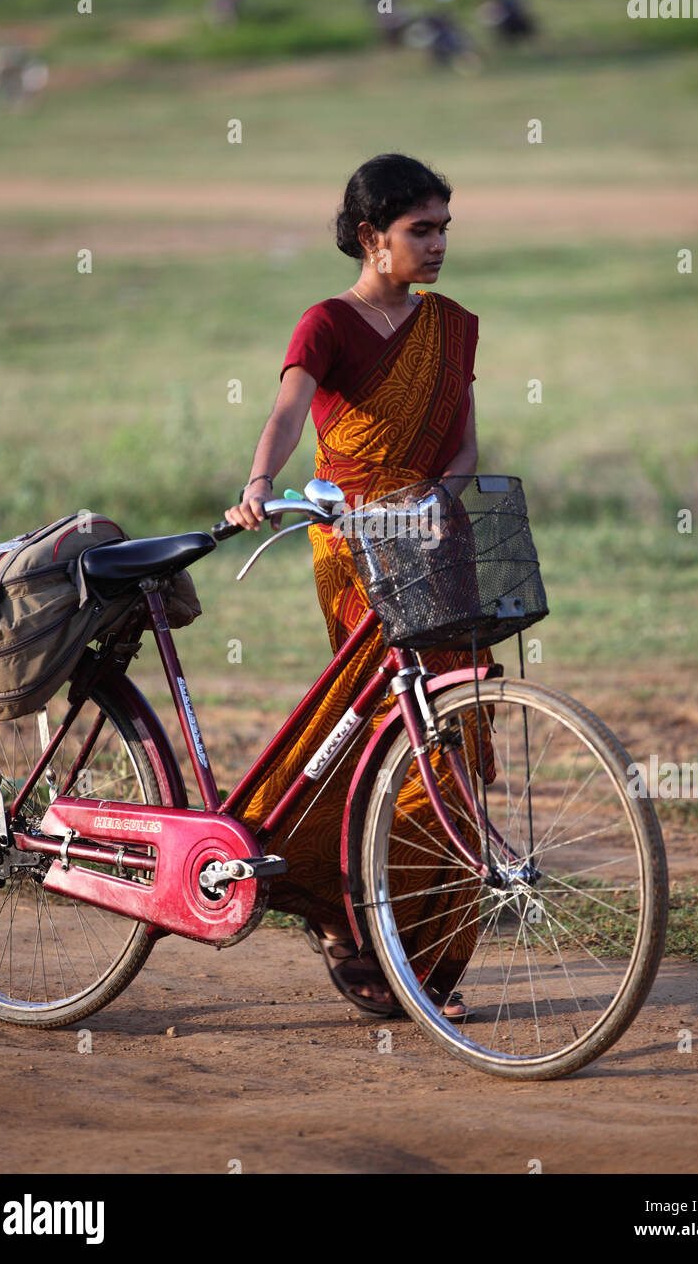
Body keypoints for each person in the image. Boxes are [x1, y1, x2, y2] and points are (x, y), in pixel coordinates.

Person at [223, 153, 493, 1019]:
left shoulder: (452, 327)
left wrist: (437, 504)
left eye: (445, 228)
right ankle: (340, 911)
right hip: (355, 550)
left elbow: (465, 446)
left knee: (448, 746)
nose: (440, 244)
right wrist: (261, 483)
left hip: (435, 541)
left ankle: (424, 959)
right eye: (422, 230)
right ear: (373, 238)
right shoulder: (327, 323)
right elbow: (287, 412)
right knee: (382, 727)